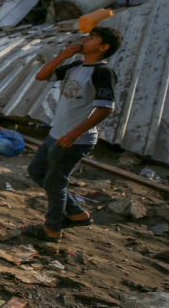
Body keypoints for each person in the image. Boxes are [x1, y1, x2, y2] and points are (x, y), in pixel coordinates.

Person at [21, 26, 122, 243]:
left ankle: (52, 229)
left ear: (103, 47)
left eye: (92, 38)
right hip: (56, 133)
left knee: (56, 182)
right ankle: (77, 214)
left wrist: (75, 134)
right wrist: (64, 55)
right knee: (37, 171)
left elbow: (106, 108)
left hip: (74, 139)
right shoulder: (77, 65)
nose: (85, 40)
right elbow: (42, 76)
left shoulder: (103, 72)